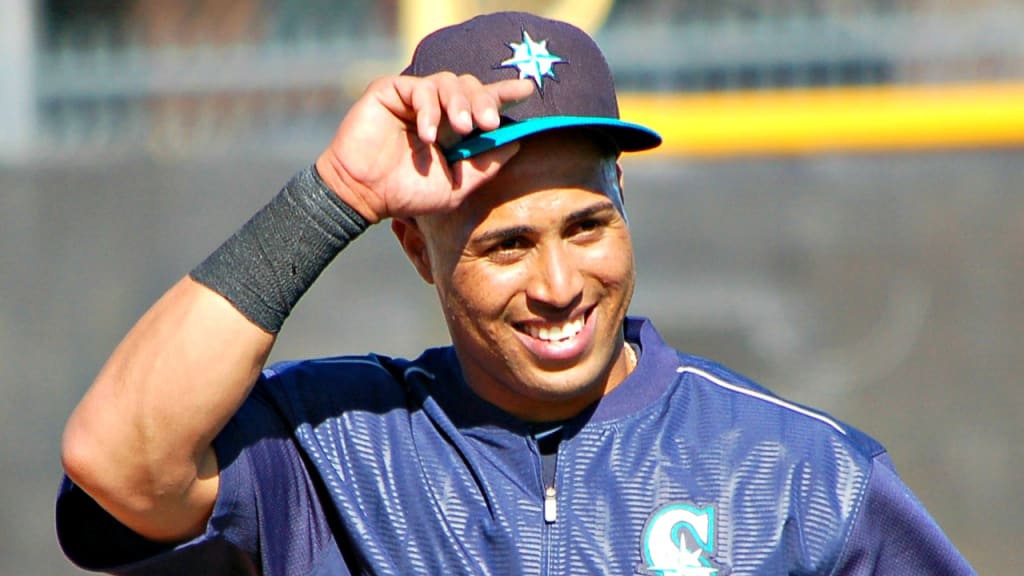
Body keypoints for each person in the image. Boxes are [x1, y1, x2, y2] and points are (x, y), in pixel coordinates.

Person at [57, 11, 975, 576]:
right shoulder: (324, 451)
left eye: (588, 226)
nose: (560, 285)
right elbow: (117, 463)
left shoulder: (802, 476)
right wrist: (337, 192)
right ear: (416, 249)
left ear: (624, 199)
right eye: (507, 245)